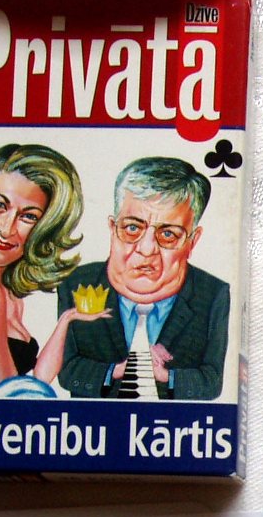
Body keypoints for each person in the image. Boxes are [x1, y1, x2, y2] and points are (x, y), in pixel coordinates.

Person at [0, 143, 109, 397]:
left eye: (28, 216)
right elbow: (10, 392)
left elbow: (37, 378)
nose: (7, 228)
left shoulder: (6, 293)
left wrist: (68, 319)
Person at [57, 156, 229, 400]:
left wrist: (167, 376)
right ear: (112, 228)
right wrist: (115, 371)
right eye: (132, 228)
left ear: (192, 241)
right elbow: (66, 370)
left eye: (168, 234)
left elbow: (212, 382)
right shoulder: (76, 283)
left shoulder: (212, 294)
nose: (146, 249)